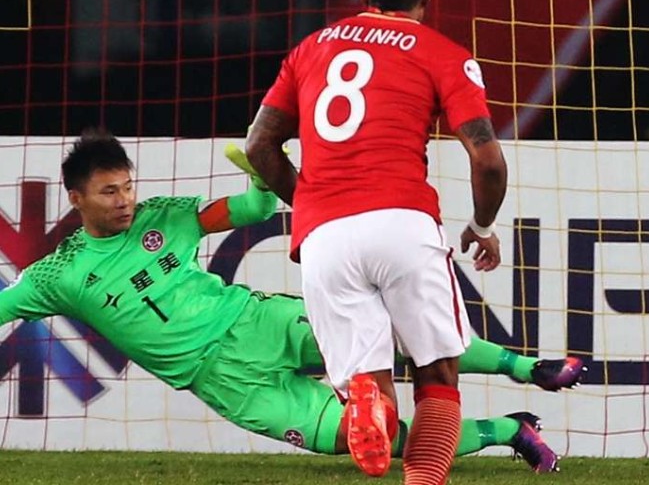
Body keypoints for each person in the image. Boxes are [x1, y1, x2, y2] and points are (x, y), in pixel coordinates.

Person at [0, 129, 576, 471]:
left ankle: (529, 367)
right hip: (225, 382)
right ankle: (508, 431)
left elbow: (250, 213)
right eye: (109, 192)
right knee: (364, 439)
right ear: (77, 198)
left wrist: (256, 177)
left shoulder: (164, 217)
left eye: (128, 185)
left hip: (258, 321)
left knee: (404, 344)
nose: (125, 200)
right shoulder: (59, 274)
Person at [246, 0, 508, 483]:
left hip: (326, 241)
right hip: (402, 222)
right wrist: (482, 225)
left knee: (373, 393)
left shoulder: (310, 49)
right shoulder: (443, 54)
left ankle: (371, 403)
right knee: (437, 376)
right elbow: (487, 160)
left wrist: (313, 203)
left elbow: (258, 145)